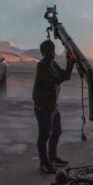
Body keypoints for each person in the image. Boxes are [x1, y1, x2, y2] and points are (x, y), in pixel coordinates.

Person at [33, 39, 74, 174]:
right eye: (48, 51)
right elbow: (55, 80)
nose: (52, 53)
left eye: (52, 50)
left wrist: (70, 63)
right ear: (43, 53)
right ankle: (44, 163)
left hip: (52, 106)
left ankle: (53, 157)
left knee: (57, 131)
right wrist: (70, 64)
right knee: (44, 135)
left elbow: (65, 76)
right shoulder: (42, 66)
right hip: (43, 107)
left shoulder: (53, 64)